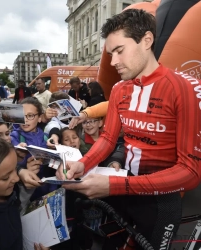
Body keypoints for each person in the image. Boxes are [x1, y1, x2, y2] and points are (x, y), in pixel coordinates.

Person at [56, 9, 201, 250]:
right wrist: (84, 163)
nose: (113, 62)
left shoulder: (181, 88)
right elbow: (108, 139)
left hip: (160, 202)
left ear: (147, 40)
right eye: (111, 53)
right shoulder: (119, 89)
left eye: (120, 51)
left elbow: (191, 171)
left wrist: (113, 185)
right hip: (124, 189)